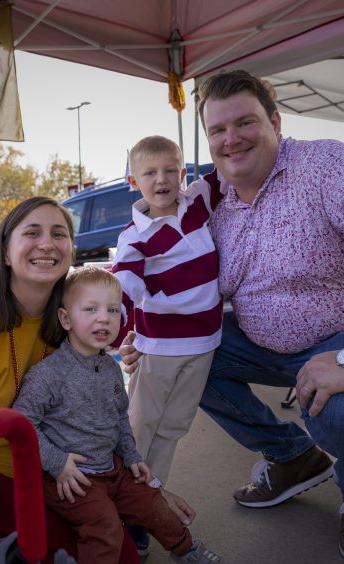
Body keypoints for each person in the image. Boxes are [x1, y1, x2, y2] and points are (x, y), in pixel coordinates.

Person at [121, 70, 344, 563]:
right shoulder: (212, 200)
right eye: (217, 131)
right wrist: (144, 333)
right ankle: (293, 457)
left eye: (245, 122)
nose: (231, 140)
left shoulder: (322, 163)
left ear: (274, 121)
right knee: (182, 361)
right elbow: (173, 270)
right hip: (273, 345)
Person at [0, 197, 187, 563]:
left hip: (33, 478)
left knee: (119, 556)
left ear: (69, 252)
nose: (47, 243)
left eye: (58, 234)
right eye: (32, 233)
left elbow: (99, 418)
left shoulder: (69, 323)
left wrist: (147, 494)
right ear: (5, 252)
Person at [13, 267, 221, 564]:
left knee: (153, 503)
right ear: (65, 319)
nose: (104, 318)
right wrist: (57, 462)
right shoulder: (48, 374)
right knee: (105, 528)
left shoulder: (111, 368)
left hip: (114, 468)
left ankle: (185, 550)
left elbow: (120, 418)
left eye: (112, 310)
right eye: (90, 309)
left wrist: (133, 457)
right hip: (72, 478)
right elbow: (22, 424)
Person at [111, 135, 226, 555]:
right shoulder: (134, 238)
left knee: (173, 430)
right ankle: (130, 513)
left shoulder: (196, 202)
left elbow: (226, 170)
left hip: (204, 342)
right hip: (158, 349)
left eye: (170, 170)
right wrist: (111, 323)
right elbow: (125, 284)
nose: (161, 180)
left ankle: (147, 506)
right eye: (150, 172)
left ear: (183, 174)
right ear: (132, 181)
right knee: (139, 432)